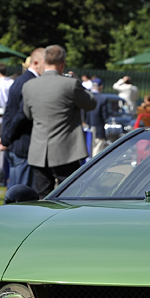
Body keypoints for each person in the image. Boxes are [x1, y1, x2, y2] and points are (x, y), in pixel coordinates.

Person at [21, 44, 97, 196]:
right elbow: (91, 103)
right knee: (69, 196)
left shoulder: (29, 86)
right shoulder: (70, 84)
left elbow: (28, 115)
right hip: (66, 151)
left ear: (44, 61)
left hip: (39, 152)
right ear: (62, 63)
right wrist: (80, 85)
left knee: (43, 197)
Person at [0, 48, 44, 189]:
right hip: (23, 144)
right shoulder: (30, 83)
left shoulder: (19, 81)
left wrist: (5, 137)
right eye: (46, 63)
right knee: (21, 194)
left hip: (15, 144)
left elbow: (9, 113)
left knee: (15, 191)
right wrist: (6, 138)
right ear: (36, 63)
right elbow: (21, 115)